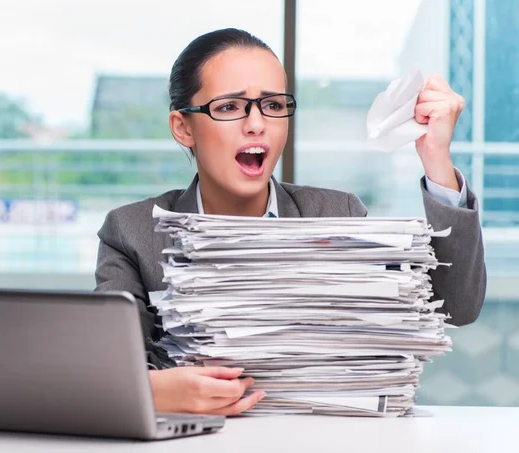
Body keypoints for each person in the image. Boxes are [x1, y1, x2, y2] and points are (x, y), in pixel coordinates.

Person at [95, 28, 486, 415]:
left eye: (273, 105)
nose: (255, 123)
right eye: (229, 107)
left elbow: (457, 307)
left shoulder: (337, 215)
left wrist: (436, 159)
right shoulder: (131, 232)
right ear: (183, 127)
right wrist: (152, 391)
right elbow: (106, 366)